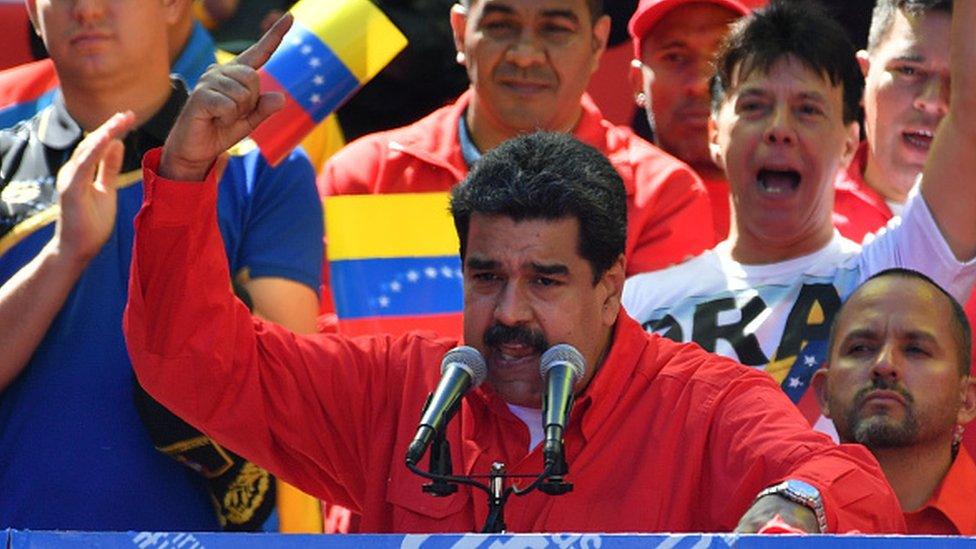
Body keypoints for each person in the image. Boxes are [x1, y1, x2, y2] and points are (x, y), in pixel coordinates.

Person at [120, 15, 906, 533]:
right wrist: (187, 174)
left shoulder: (702, 400)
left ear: (612, 287)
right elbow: (189, 361)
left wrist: (796, 508)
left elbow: (847, 479)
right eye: (486, 276)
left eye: (548, 281)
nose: (510, 312)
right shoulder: (398, 390)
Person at [0, 0, 322, 531]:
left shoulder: (262, 165)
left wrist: (182, 182)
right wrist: (66, 252)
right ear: (33, 11)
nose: (87, 9)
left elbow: (287, 378)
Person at [621, 0, 976, 427]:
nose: (779, 129)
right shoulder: (634, 306)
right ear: (715, 133)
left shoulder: (885, 275)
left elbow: (969, 123)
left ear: (848, 143)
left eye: (808, 109)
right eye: (754, 106)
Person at [318, 0, 716, 283]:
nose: (525, 55)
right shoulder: (363, 176)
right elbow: (329, 347)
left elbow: (652, 370)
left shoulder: (663, 194)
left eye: (555, 29)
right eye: (501, 25)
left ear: (597, 42)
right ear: (460, 32)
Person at [812, 269, 976, 535]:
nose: (884, 365)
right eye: (861, 348)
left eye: (915, 349)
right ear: (824, 394)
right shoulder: (774, 522)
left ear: (966, 400)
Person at [628, 0, 753, 239]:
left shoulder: (816, 202)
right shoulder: (596, 199)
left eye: (723, 56)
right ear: (637, 81)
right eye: (675, 57)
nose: (700, 84)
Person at [832, 0, 951, 243]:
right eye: (908, 70)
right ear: (863, 77)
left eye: (961, 80)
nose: (933, 100)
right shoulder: (787, 214)